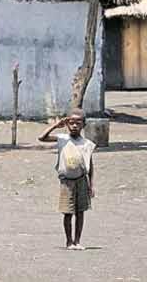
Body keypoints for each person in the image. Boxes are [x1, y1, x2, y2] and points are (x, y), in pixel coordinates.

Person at [37, 108, 96, 251]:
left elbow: (90, 165)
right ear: (67, 124)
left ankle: (77, 241)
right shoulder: (62, 139)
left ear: (83, 125)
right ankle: (69, 241)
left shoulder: (87, 144)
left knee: (80, 212)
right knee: (68, 212)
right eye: (71, 123)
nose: (74, 126)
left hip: (82, 180)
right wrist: (56, 125)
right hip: (66, 182)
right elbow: (42, 137)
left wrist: (91, 185)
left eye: (78, 123)